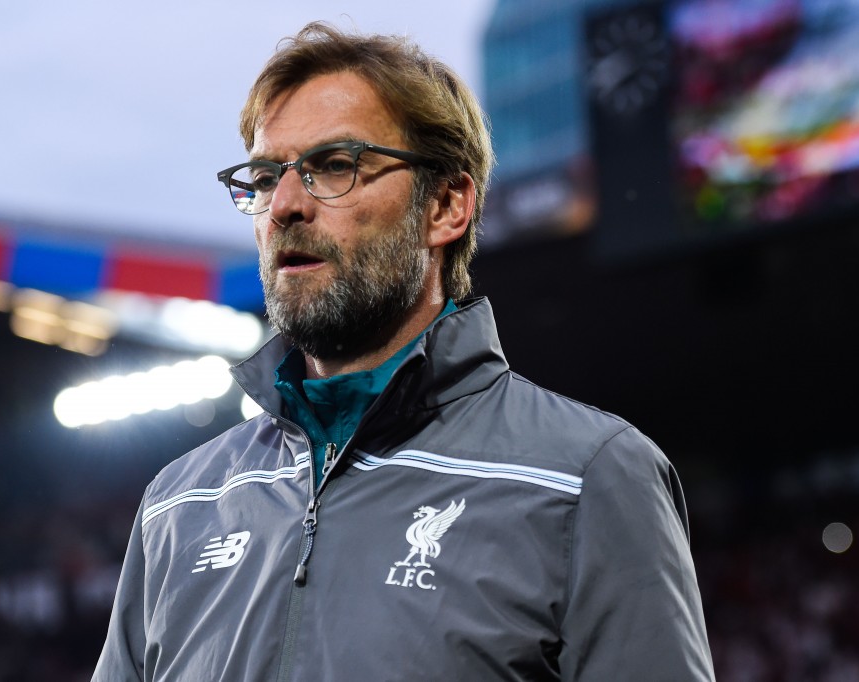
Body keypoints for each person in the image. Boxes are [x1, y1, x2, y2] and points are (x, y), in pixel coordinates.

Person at [93, 21, 715, 681]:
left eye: (334, 166)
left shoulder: (589, 477)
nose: (284, 206)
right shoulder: (177, 503)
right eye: (267, 175)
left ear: (446, 205)